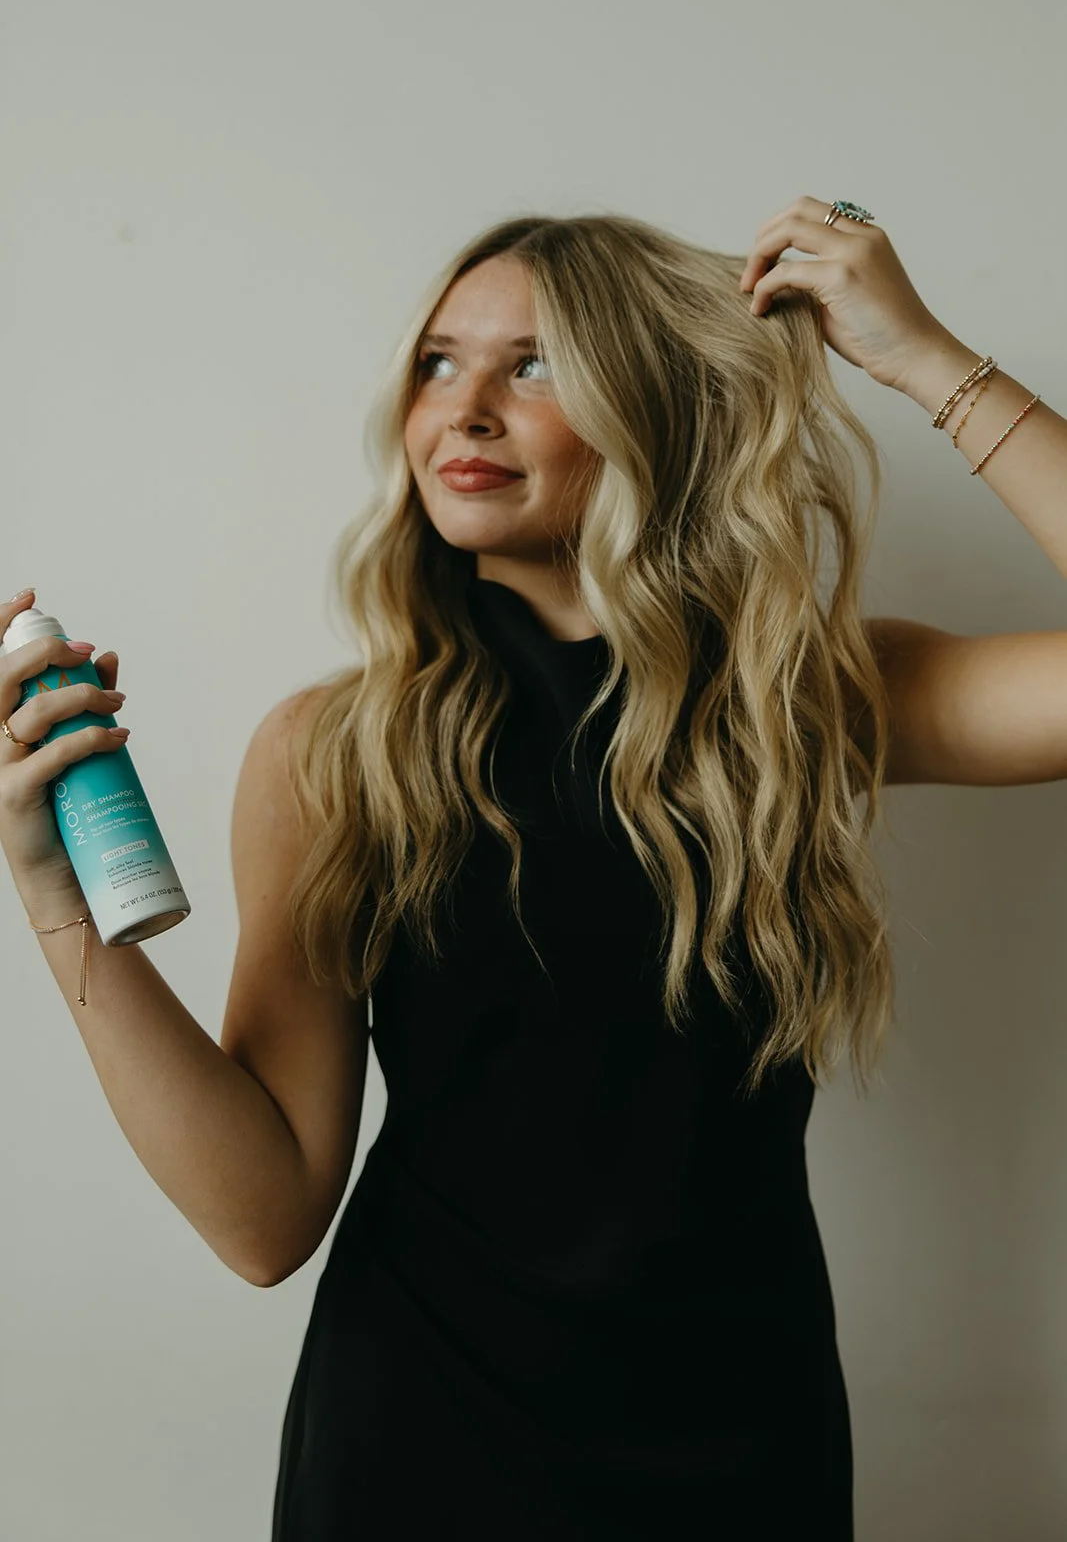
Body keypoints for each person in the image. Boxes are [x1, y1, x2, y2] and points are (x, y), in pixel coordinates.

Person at [6, 203, 1056, 1538]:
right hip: (417, 1453)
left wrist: (924, 358)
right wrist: (55, 899)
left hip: (747, 1449)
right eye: (437, 363)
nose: (465, 409)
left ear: (651, 408)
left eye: (535, 366)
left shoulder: (800, 702)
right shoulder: (336, 754)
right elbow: (262, 1220)